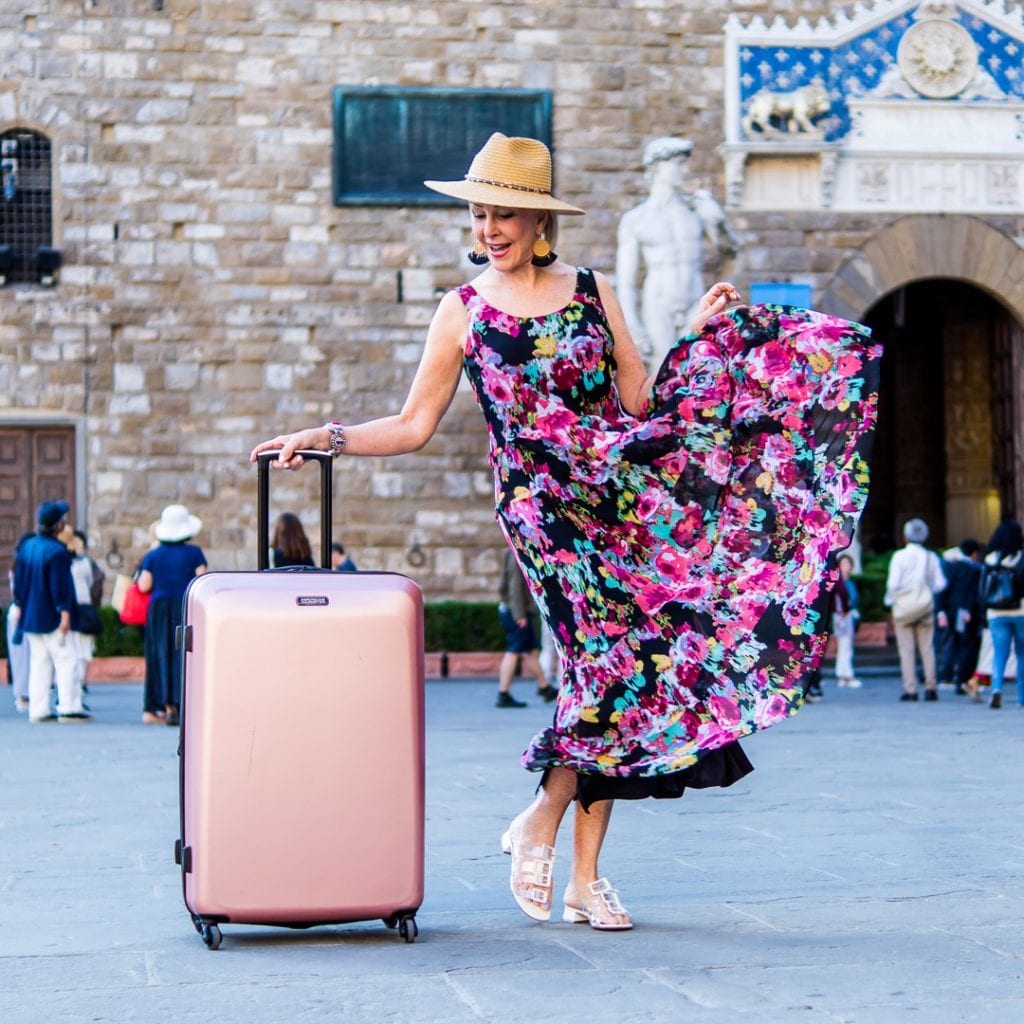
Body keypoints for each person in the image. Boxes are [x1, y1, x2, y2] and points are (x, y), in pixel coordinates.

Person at [250, 132, 879, 931]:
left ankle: (582, 874)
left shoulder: (591, 289)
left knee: (630, 668)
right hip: (542, 512)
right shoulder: (463, 310)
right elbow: (413, 424)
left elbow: (643, 402)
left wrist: (691, 330)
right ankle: (543, 819)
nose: (488, 229)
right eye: (479, 214)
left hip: (618, 497)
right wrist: (324, 436)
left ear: (537, 219)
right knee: (606, 661)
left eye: (503, 213)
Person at [616, 136, 739, 369]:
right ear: (657, 166)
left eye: (685, 163)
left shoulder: (696, 210)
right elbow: (626, 282)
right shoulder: (636, 219)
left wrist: (718, 220)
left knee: (696, 369)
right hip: (657, 304)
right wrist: (633, 327)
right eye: (678, 163)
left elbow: (730, 249)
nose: (685, 169)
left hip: (695, 300)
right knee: (661, 371)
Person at [11, 501, 90, 723]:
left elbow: (19, 582)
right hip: (52, 615)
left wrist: (19, 606)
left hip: (31, 614)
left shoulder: (27, 546)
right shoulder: (57, 551)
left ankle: (38, 709)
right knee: (66, 659)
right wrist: (65, 613)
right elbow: (60, 586)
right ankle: (69, 706)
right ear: (58, 526)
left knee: (39, 661)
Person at [137, 504, 207, 726]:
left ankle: (161, 706)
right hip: (185, 605)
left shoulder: (154, 555)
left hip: (159, 608)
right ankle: (182, 703)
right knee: (184, 653)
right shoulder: (195, 553)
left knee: (160, 653)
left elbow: (144, 585)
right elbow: (202, 580)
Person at [884, 518, 947, 702]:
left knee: (906, 650)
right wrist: (926, 591)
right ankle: (931, 687)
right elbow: (940, 583)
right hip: (925, 606)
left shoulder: (899, 556)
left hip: (904, 607)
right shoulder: (931, 557)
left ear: (905, 536)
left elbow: (893, 584)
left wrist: (889, 601)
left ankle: (910, 689)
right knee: (927, 649)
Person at [497, 548, 558, 708]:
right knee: (514, 650)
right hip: (517, 612)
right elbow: (514, 586)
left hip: (518, 611)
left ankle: (544, 687)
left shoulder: (517, 549)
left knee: (530, 650)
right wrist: (519, 615)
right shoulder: (515, 551)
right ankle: (503, 693)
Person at [981, 518, 1024, 709]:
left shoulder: (990, 559)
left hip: (996, 613)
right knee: (1022, 654)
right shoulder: (1021, 558)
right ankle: (1021, 697)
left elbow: (982, 589)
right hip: (1021, 611)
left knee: (1000, 653)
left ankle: (996, 688)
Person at [935, 538, 983, 694]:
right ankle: (962, 680)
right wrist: (969, 610)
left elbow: (943, 589)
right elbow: (972, 593)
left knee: (950, 644)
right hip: (965, 612)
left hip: (950, 610)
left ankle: (946, 675)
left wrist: (941, 611)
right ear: (974, 553)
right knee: (966, 646)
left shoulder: (951, 567)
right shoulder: (975, 570)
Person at [5, 532, 35, 713]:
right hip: (24, 613)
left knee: (21, 657)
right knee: (24, 656)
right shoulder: (25, 565)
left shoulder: (18, 565)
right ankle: (24, 694)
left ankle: (24, 694)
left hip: (18, 613)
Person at [833, 554, 861, 689]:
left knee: (846, 645)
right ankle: (846, 674)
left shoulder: (850, 583)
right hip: (841, 615)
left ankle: (843, 673)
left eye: (848, 564)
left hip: (849, 615)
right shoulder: (838, 583)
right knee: (844, 645)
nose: (846, 567)